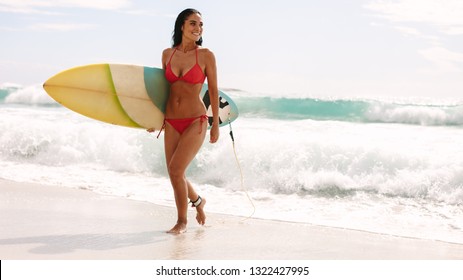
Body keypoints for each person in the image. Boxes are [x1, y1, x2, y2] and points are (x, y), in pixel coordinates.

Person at [149, 8, 219, 234]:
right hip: (171, 120)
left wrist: (215, 123)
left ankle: (182, 222)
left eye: (200, 25)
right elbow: (163, 91)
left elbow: (215, 91)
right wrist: (154, 118)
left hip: (195, 121)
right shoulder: (167, 54)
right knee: (174, 172)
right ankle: (198, 202)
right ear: (182, 26)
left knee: (177, 170)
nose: (198, 28)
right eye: (193, 23)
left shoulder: (206, 55)